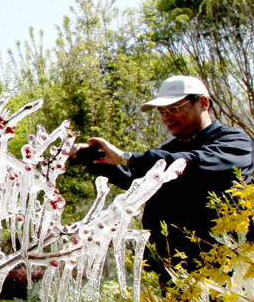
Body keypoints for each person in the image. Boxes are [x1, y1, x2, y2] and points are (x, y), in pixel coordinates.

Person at [70, 75, 254, 290]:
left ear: (203, 103)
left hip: (224, 273)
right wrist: (93, 158)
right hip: (174, 274)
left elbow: (189, 165)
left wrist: (129, 157)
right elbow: (136, 179)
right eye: (162, 112)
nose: (167, 117)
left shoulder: (234, 142)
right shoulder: (170, 148)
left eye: (174, 108)